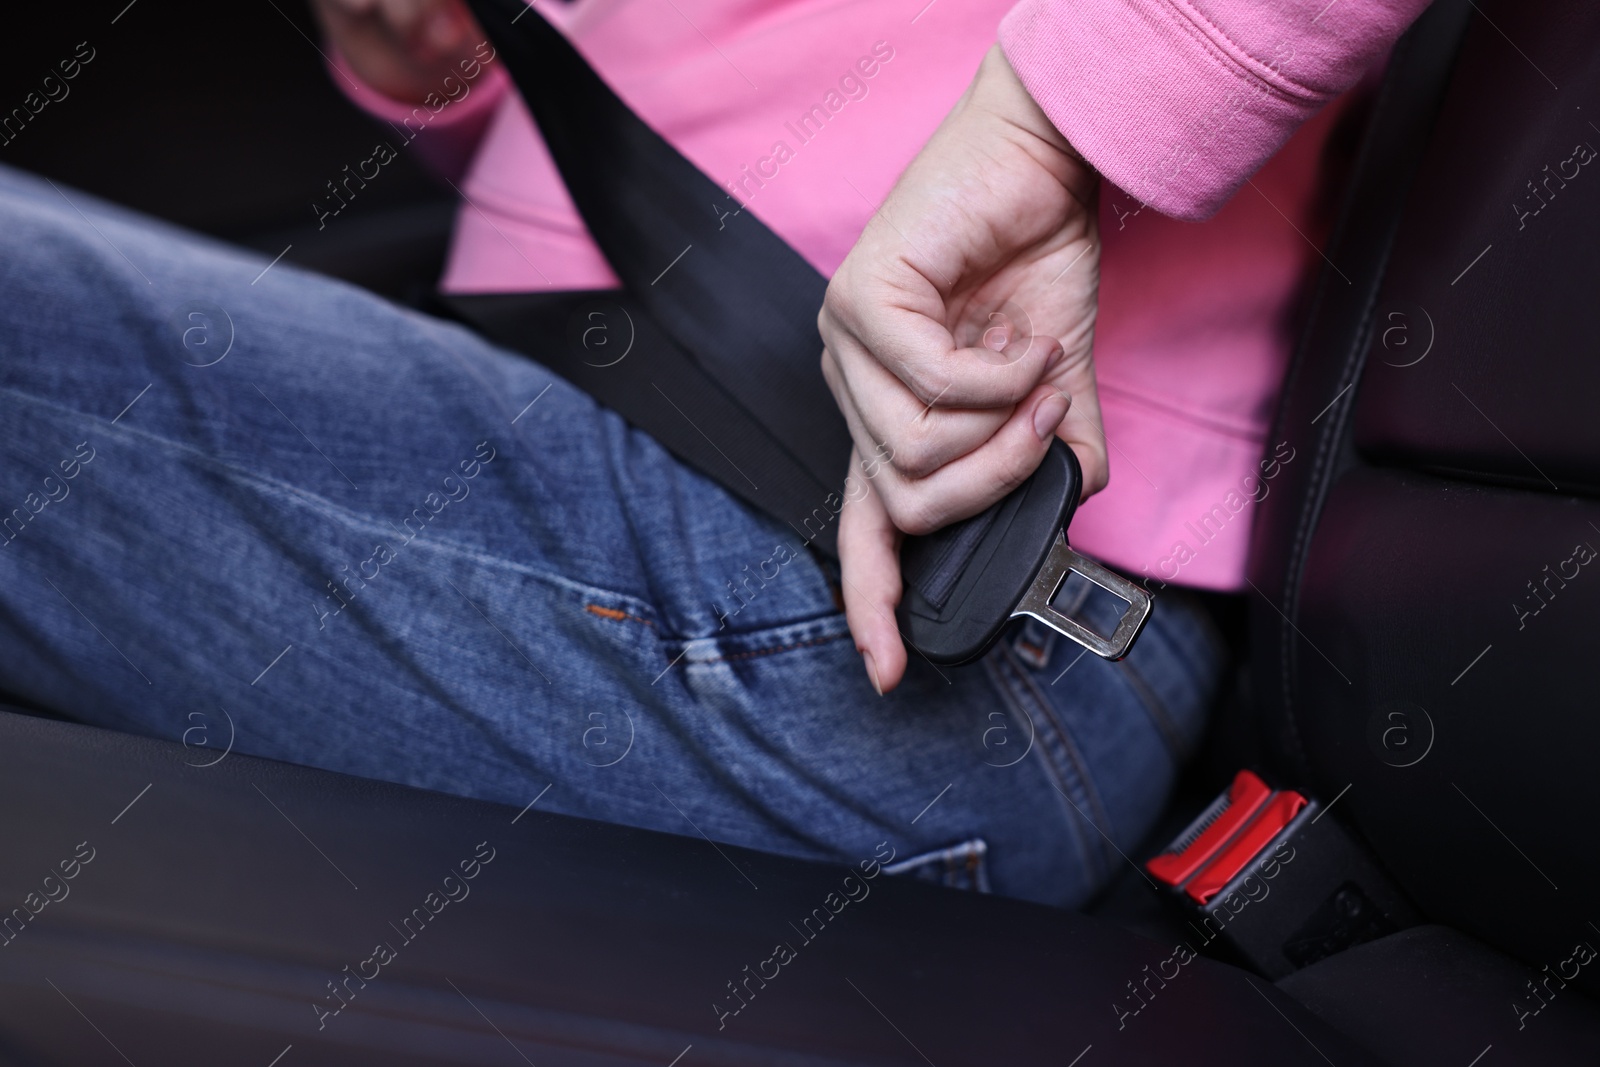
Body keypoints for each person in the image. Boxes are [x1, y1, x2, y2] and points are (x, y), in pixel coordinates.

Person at [0, 0, 1425, 907]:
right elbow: (682, 109)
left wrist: (1041, 135)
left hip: (925, 593)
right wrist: (433, 60)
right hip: (650, 420)